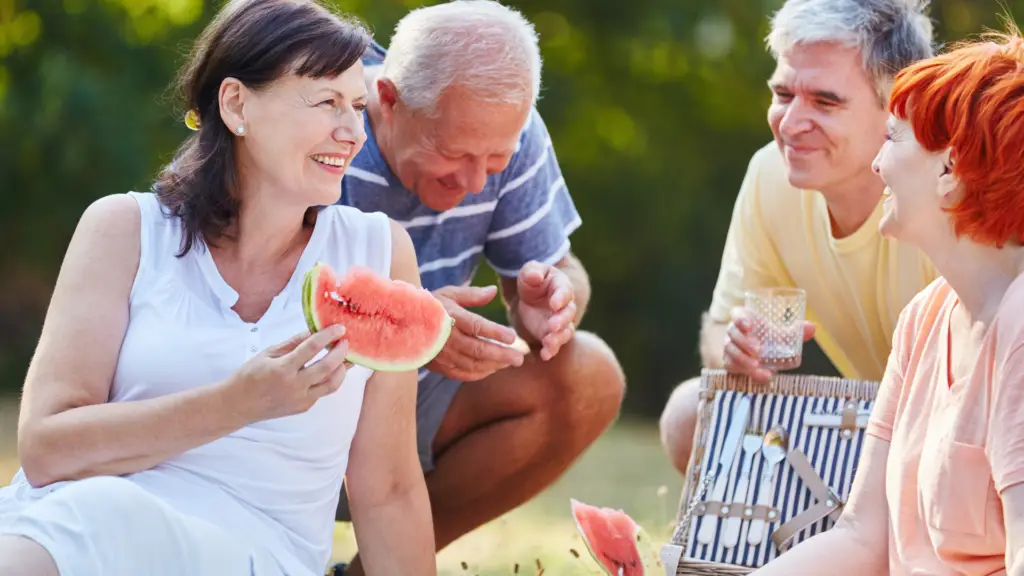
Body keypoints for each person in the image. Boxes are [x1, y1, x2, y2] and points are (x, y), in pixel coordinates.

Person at [0, 1, 436, 575]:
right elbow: (45, 449)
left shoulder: (378, 252)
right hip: (69, 521)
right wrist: (238, 404)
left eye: (357, 106)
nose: (353, 132)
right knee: (100, 510)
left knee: (102, 512)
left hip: (256, 554)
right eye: (327, 102)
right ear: (236, 105)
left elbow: (389, 490)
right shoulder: (123, 229)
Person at [332, 1, 626, 572]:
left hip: (410, 408)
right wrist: (409, 324)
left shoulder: (510, 132)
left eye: (495, 159)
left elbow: (561, 270)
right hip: (295, 399)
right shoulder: (322, 117)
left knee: (590, 376)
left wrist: (554, 301)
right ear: (388, 101)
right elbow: (257, 302)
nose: (473, 182)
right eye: (454, 154)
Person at [751, 25, 1024, 575]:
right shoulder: (924, 319)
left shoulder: (1018, 327)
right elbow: (861, 538)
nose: (877, 166)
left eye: (893, 139)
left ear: (951, 169)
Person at [659, 0, 937, 475]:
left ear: (899, 107)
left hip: (966, 427)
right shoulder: (770, 176)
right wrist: (738, 348)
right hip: (878, 429)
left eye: (825, 101)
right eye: (784, 94)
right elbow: (721, 330)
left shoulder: (948, 186)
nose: (789, 125)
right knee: (691, 414)